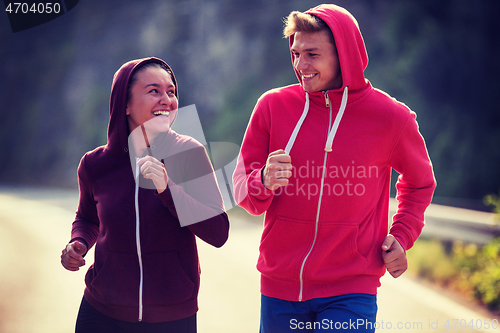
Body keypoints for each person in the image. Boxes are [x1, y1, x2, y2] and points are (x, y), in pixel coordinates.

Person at [233, 4, 436, 332]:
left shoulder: (390, 118)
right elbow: (243, 187)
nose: (301, 65)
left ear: (344, 54)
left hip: (351, 287)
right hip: (281, 289)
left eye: (312, 54)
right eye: (296, 54)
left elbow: (420, 181)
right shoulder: (272, 107)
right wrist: (262, 181)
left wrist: (402, 234)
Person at [61, 57, 229, 333]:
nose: (167, 100)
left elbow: (218, 232)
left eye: (171, 91)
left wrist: (168, 190)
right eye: (154, 91)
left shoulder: (189, 154)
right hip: (101, 311)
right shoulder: (95, 164)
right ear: (124, 104)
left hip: (171, 315)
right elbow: (88, 218)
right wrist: (78, 242)